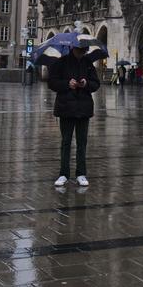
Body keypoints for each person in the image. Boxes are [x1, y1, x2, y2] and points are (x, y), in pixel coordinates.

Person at [48, 41, 100, 188]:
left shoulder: (88, 63)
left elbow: (96, 83)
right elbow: (51, 82)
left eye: (84, 50)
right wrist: (66, 84)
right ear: (72, 48)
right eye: (79, 49)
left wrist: (86, 83)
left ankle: (81, 173)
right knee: (66, 142)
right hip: (66, 107)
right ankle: (63, 173)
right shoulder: (61, 62)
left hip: (83, 108)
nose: (81, 52)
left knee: (82, 143)